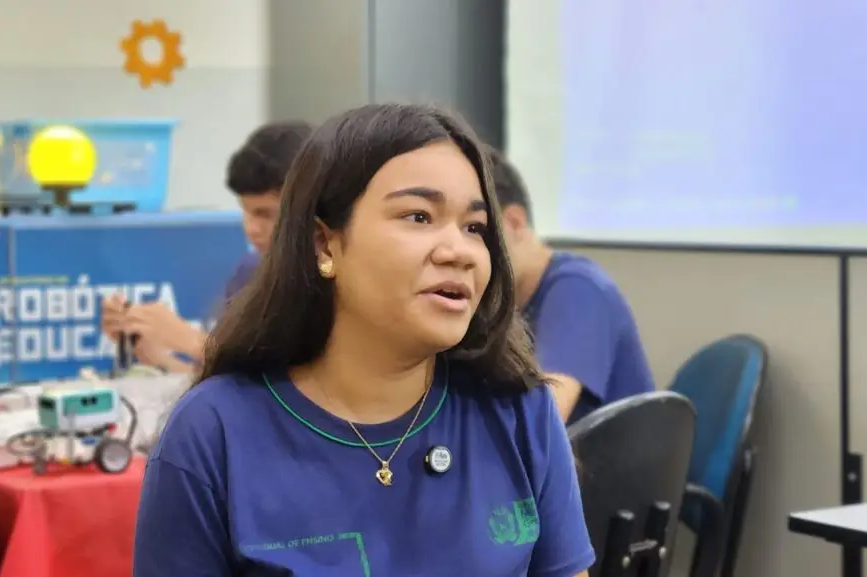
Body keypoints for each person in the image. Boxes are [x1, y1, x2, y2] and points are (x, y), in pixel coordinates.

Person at [133, 104, 594, 576]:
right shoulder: (213, 434)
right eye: (418, 216)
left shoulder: (520, 411)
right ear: (324, 245)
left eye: (474, 227)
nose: (459, 251)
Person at [100, 121, 313, 372]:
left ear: (310, 210)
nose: (251, 228)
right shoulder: (251, 272)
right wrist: (153, 353)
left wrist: (193, 341)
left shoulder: (344, 281)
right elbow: (235, 384)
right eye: (246, 211)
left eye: (266, 214)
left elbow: (299, 388)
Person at [487, 148, 654, 425]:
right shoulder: (510, 302)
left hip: (607, 466)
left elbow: (542, 422)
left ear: (514, 223)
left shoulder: (578, 290)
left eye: (474, 229)